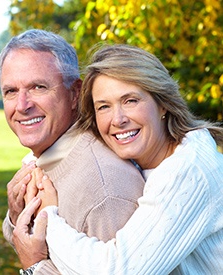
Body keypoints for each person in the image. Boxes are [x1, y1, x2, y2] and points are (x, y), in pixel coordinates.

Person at [13, 44, 223, 274]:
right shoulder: (143, 160)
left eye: (130, 100)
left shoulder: (189, 170)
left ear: (162, 103)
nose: (118, 119)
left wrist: (48, 219)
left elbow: (121, 270)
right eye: (104, 107)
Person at [0, 32, 145, 274]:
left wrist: (35, 267)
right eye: (11, 91)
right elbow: (33, 243)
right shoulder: (49, 158)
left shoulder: (106, 189)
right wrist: (16, 216)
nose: (22, 105)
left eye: (38, 87)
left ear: (75, 93)